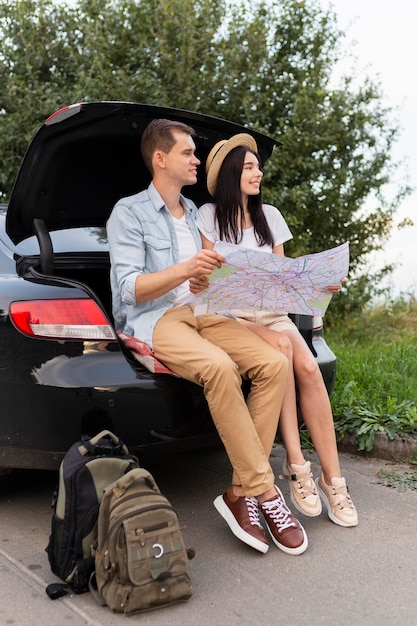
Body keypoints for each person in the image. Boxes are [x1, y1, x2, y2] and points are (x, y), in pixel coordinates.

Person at [107, 119, 308, 555]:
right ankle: (265, 493)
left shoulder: (198, 214)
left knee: (274, 362)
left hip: (205, 311)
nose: (197, 159)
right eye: (188, 153)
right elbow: (128, 288)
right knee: (220, 368)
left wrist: (205, 281)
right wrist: (187, 271)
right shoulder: (129, 212)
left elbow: (205, 283)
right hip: (157, 319)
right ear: (160, 159)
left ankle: (238, 493)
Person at [195, 133, 358, 528]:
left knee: (309, 369)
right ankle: (297, 464)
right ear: (231, 174)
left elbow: (282, 279)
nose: (259, 172)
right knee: (282, 352)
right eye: (249, 166)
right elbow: (206, 279)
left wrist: (318, 284)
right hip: (233, 317)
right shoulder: (207, 217)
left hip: (271, 314)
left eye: (257, 166)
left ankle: (333, 479)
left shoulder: (271, 216)